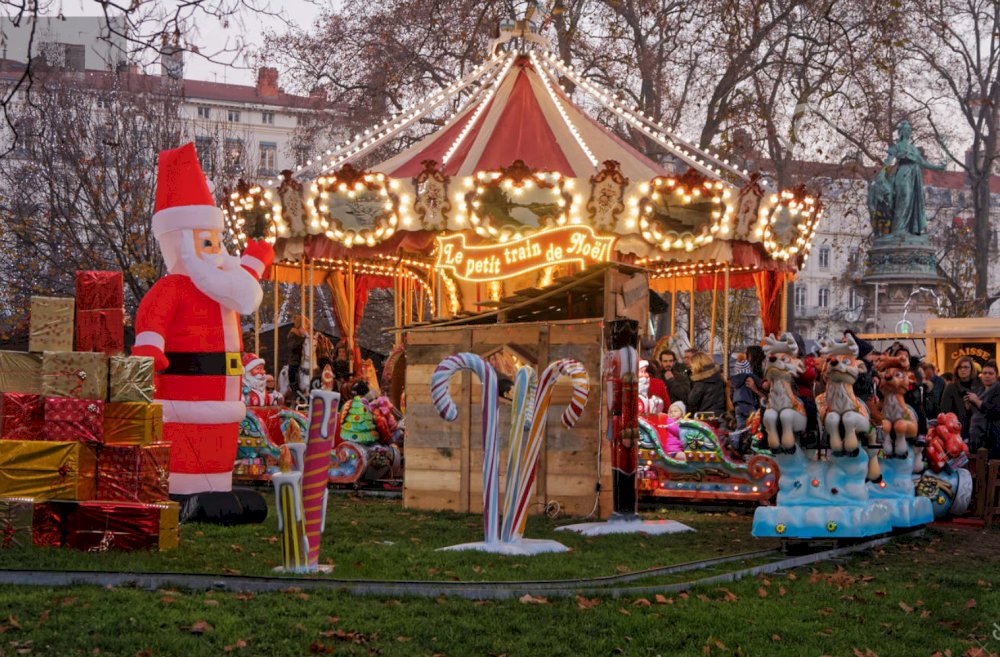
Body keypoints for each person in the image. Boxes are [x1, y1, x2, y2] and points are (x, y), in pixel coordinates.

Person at [131, 142, 274, 511]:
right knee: (187, 435)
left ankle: (218, 487)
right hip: (184, 392)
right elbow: (151, 320)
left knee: (219, 437)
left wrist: (257, 262)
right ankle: (181, 489)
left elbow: (242, 291)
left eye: (217, 241)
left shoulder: (219, 285)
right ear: (181, 242)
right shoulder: (173, 288)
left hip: (224, 395)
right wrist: (149, 351)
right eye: (206, 241)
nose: (216, 250)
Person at [965, 360, 1000, 456]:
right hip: (976, 438)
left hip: (992, 440)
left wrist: (977, 401)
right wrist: (968, 407)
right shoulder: (980, 390)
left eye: (990, 373)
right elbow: (974, 414)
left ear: (996, 375)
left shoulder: (998, 389)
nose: (987, 376)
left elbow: (996, 411)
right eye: (984, 373)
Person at [687, 351, 726, 417]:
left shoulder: (700, 382)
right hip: (720, 415)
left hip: (704, 416)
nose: (691, 369)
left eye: (691, 366)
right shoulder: (719, 378)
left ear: (697, 365)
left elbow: (691, 402)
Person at [730, 353, 762, 432]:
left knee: (740, 427)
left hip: (738, 406)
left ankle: (736, 441)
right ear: (749, 369)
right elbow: (759, 384)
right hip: (748, 404)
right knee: (756, 424)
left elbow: (731, 394)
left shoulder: (735, 381)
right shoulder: (750, 376)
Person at [286, 315, 308, 402]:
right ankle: (294, 389)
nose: (305, 328)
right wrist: (303, 338)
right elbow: (293, 346)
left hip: (304, 360)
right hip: (295, 360)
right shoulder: (292, 334)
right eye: (304, 325)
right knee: (293, 370)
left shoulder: (305, 335)